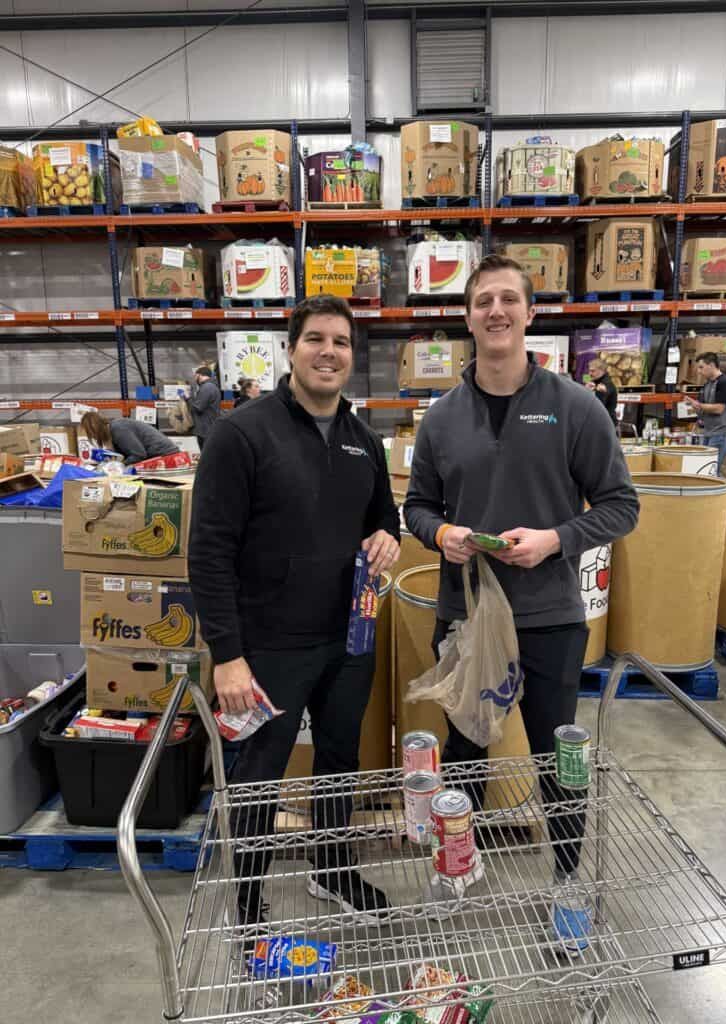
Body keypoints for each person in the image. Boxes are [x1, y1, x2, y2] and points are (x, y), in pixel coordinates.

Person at [404, 254, 639, 893]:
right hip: (466, 616)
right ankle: (458, 869)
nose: (497, 311)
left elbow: (623, 506)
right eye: (484, 302)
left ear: (530, 314)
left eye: (509, 299)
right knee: (465, 754)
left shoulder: (577, 407)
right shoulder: (443, 416)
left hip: (550, 617)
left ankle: (566, 879)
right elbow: (417, 506)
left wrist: (555, 540)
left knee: (557, 756)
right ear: (468, 317)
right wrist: (443, 534)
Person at [188, 294, 400, 928]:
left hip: (347, 640)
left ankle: (332, 871)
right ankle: (249, 903)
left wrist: (388, 535)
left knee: (338, 763)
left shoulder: (365, 441)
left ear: (352, 355)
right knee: (259, 775)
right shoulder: (243, 433)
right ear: (291, 348)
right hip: (267, 648)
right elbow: (209, 550)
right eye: (315, 339)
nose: (328, 351)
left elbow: (381, 516)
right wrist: (227, 654)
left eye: (340, 341)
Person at [685, 352, 726, 477]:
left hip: (723, 433)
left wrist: (699, 405)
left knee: (716, 471)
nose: (698, 371)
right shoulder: (707, 385)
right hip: (709, 432)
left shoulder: (725, 382)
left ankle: (723, 496)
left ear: (712, 365)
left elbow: (719, 408)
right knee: (707, 470)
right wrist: (695, 407)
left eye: (701, 367)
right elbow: (703, 408)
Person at [79, 411, 179, 466]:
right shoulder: (113, 431)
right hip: (159, 456)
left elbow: (139, 455)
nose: (92, 437)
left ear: (97, 429)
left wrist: (120, 464)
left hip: (167, 456)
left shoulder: (118, 429)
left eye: (91, 433)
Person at [186, 365, 221, 450]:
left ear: (199, 375)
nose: (194, 379)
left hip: (205, 429)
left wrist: (188, 398)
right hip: (207, 428)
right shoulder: (209, 386)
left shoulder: (207, 387)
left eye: (195, 376)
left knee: (206, 456)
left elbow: (198, 408)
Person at [586, 358, 618, 426]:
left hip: (606, 423)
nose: (589, 373)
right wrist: (585, 389)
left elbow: (599, 406)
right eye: (589, 371)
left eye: (592, 371)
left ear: (601, 371)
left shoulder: (606, 383)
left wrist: (600, 392)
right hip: (593, 421)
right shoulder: (591, 379)